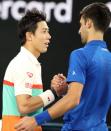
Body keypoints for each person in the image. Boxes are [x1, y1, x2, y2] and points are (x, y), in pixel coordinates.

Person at [15, 2, 111, 131]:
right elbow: (93, 93)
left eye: (81, 24)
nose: (79, 30)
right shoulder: (108, 58)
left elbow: (73, 100)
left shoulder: (80, 55)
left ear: (88, 23)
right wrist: (67, 89)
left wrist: (36, 120)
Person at [2, 9, 66, 131]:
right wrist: (53, 93)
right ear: (29, 36)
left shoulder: (28, 62)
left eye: (48, 31)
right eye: (44, 31)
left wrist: (53, 92)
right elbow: (24, 106)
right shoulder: (24, 63)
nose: (49, 36)